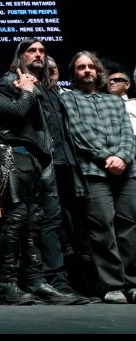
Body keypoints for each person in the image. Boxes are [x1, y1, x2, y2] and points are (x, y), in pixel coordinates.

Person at [0, 52, 76, 305]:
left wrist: (24, 90)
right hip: (5, 155)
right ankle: (8, 283)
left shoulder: (10, 91)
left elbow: (33, 117)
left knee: (32, 221)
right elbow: (16, 113)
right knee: (15, 219)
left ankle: (35, 281)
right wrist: (26, 90)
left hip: (28, 158)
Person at [3, 39, 91, 303]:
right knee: (34, 224)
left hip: (61, 162)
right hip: (33, 161)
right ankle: (43, 283)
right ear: (21, 55)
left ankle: (60, 282)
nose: (38, 54)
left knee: (56, 223)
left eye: (42, 50)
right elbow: (12, 119)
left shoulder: (51, 87)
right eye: (32, 50)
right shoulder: (14, 80)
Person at [61, 51, 136, 304]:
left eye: (90, 66)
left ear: (98, 70)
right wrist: (106, 157)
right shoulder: (69, 98)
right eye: (81, 67)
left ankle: (132, 283)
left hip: (126, 171)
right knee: (103, 228)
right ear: (74, 72)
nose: (86, 70)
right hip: (94, 172)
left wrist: (123, 157)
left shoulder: (114, 101)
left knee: (129, 229)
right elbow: (77, 132)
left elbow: (128, 133)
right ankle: (112, 285)